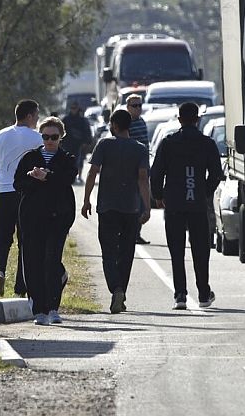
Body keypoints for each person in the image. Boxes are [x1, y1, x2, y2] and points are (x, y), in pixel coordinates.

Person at [150, 102, 223, 310]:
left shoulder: (169, 142)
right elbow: (216, 174)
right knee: (200, 250)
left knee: (176, 251)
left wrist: (158, 195)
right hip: (197, 204)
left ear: (179, 119)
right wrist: (204, 192)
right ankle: (203, 293)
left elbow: (156, 172)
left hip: (174, 203)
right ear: (198, 119)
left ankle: (180, 295)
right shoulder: (206, 143)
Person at [81, 109, 151, 314]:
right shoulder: (140, 148)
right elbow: (142, 179)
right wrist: (146, 207)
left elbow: (93, 172)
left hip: (107, 207)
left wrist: (86, 200)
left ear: (114, 125)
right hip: (131, 208)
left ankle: (116, 289)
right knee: (127, 252)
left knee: (109, 252)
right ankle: (121, 291)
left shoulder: (104, 144)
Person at [14, 117, 77, 325]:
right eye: (45, 136)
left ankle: (53, 308)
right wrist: (33, 178)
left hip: (58, 219)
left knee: (51, 261)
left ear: (61, 137)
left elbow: (66, 179)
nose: (49, 141)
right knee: (33, 262)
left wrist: (47, 176)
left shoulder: (66, 159)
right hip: (32, 219)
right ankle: (38, 309)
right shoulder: (30, 157)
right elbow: (18, 183)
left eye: (54, 137)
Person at [0, 99, 42, 297]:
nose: (37, 119)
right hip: (25, 193)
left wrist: (1, 177)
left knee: (2, 238)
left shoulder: (0, 135)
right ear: (28, 115)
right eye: (36, 115)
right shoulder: (37, 138)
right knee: (25, 239)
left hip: (3, 192)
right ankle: (20, 287)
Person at [126, 94, 151, 245]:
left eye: (140, 105)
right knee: (133, 201)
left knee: (142, 200)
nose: (138, 109)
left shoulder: (141, 122)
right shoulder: (126, 123)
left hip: (143, 166)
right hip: (132, 168)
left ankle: (137, 233)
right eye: (134, 106)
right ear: (128, 107)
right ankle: (131, 233)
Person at [62, 102, 92, 183]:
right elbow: (61, 131)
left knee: (80, 161)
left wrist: (87, 142)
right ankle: (70, 176)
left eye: (75, 108)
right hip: (68, 144)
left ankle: (79, 176)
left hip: (80, 144)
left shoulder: (83, 120)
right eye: (72, 108)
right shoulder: (66, 119)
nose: (73, 110)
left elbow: (87, 132)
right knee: (68, 161)